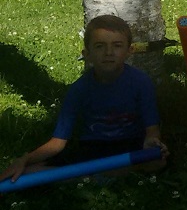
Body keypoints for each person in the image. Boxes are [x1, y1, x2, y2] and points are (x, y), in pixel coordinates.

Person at [1, 15, 167, 184]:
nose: (109, 53)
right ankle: (99, 174)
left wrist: (152, 143)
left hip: (129, 146)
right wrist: (25, 159)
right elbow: (58, 142)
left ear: (129, 51)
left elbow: (152, 131)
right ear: (87, 54)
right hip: (92, 148)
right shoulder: (79, 89)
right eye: (100, 46)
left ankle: (86, 176)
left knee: (157, 160)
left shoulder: (141, 82)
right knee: (27, 173)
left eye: (117, 46)